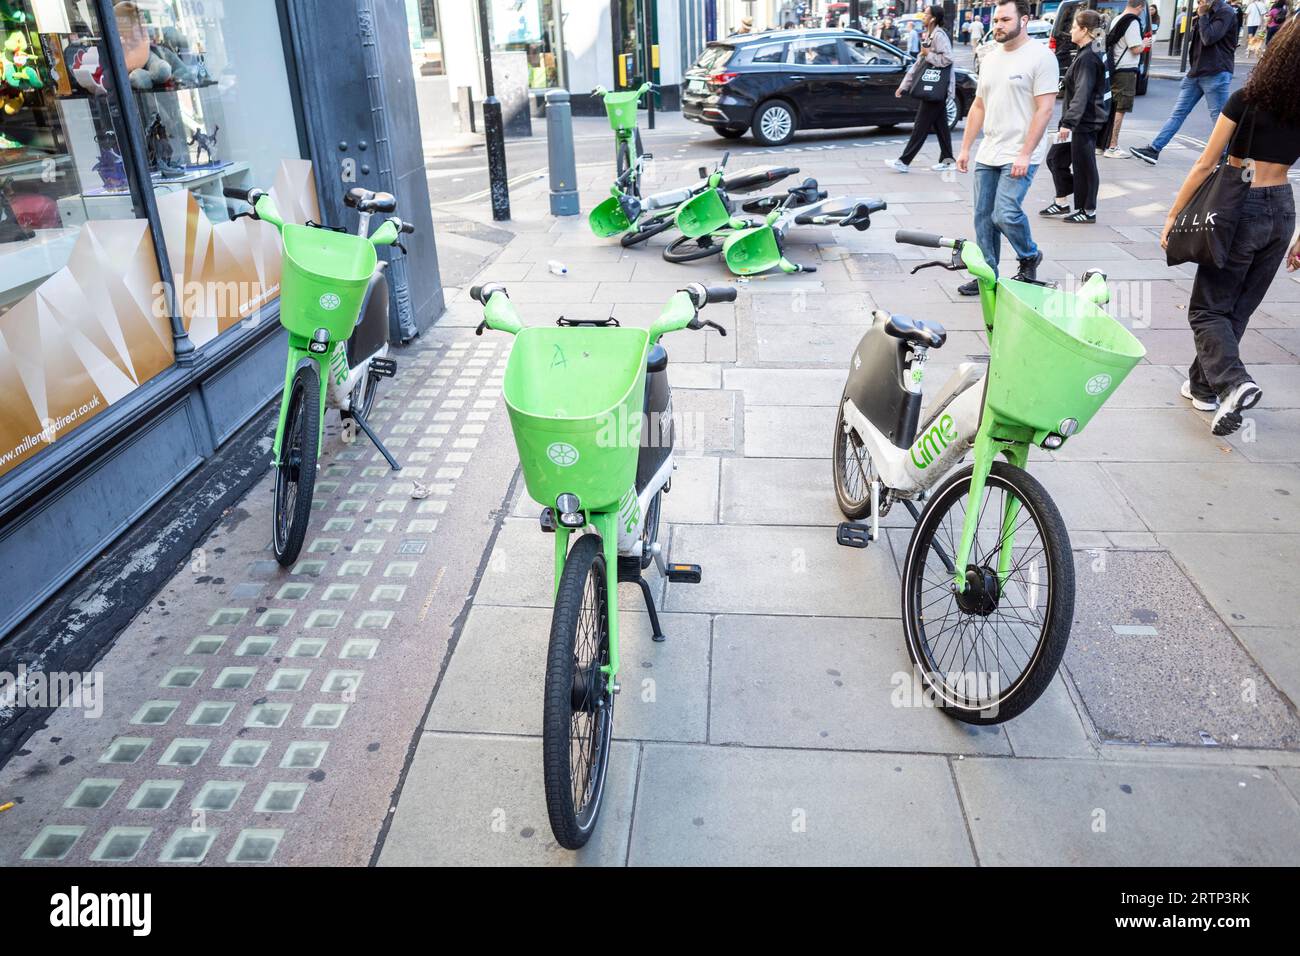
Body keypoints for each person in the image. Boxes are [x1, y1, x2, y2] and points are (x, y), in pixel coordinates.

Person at [1160, 20, 1300, 436]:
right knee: (1235, 307)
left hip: (1242, 205)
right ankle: (1203, 387)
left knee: (1206, 308)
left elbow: (1206, 163)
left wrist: (1174, 215)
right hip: (1282, 207)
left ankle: (1234, 384)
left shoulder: (1246, 100)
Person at [955, 0, 1060, 293]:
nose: (997, 25)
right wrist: (965, 148)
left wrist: (1025, 153)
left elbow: (1045, 109)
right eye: (996, 20)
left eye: (1004, 19)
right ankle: (987, 274)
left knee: (1005, 213)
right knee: (983, 217)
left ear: (1024, 20)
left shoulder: (1041, 57)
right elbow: (978, 105)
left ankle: (1029, 255)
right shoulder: (990, 58)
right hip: (990, 150)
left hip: (1021, 151)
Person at [1130, 0, 1238, 165]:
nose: (1199, 2)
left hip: (1216, 72)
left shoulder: (1225, 11)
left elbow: (1209, 38)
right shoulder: (1205, 12)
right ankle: (1154, 150)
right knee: (1178, 114)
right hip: (1196, 73)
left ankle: (1224, 157)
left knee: (1220, 119)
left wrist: (1202, 16)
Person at [1042, 9, 1111, 222]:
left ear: (1084, 30)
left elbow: (1083, 92)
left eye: (1073, 27)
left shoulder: (1089, 57)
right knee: (1055, 159)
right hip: (1078, 119)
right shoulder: (1089, 49)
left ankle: (1087, 210)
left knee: (1085, 166)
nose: (1070, 30)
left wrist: (1068, 123)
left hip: (1084, 122)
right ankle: (1062, 202)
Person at [887, 5, 957, 172]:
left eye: (925, 14)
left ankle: (904, 162)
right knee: (941, 127)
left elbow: (948, 59)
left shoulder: (939, 35)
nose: (923, 16)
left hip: (935, 88)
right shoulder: (930, 35)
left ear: (932, 18)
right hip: (934, 88)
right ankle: (948, 161)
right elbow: (919, 64)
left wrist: (928, 55)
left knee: (920, 126)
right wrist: (904, 85)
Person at [1102, 0, 1146, 158]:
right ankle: (1112, 146)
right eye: (1142, 8)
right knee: (1121, 108)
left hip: (1115, 68)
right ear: (1140, 6)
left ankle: (1103, 143)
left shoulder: (1117, 18)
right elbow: (1135, 49)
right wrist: (1146, 43)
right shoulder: (1132, 22)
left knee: (1112, 107)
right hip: (1125, 70)